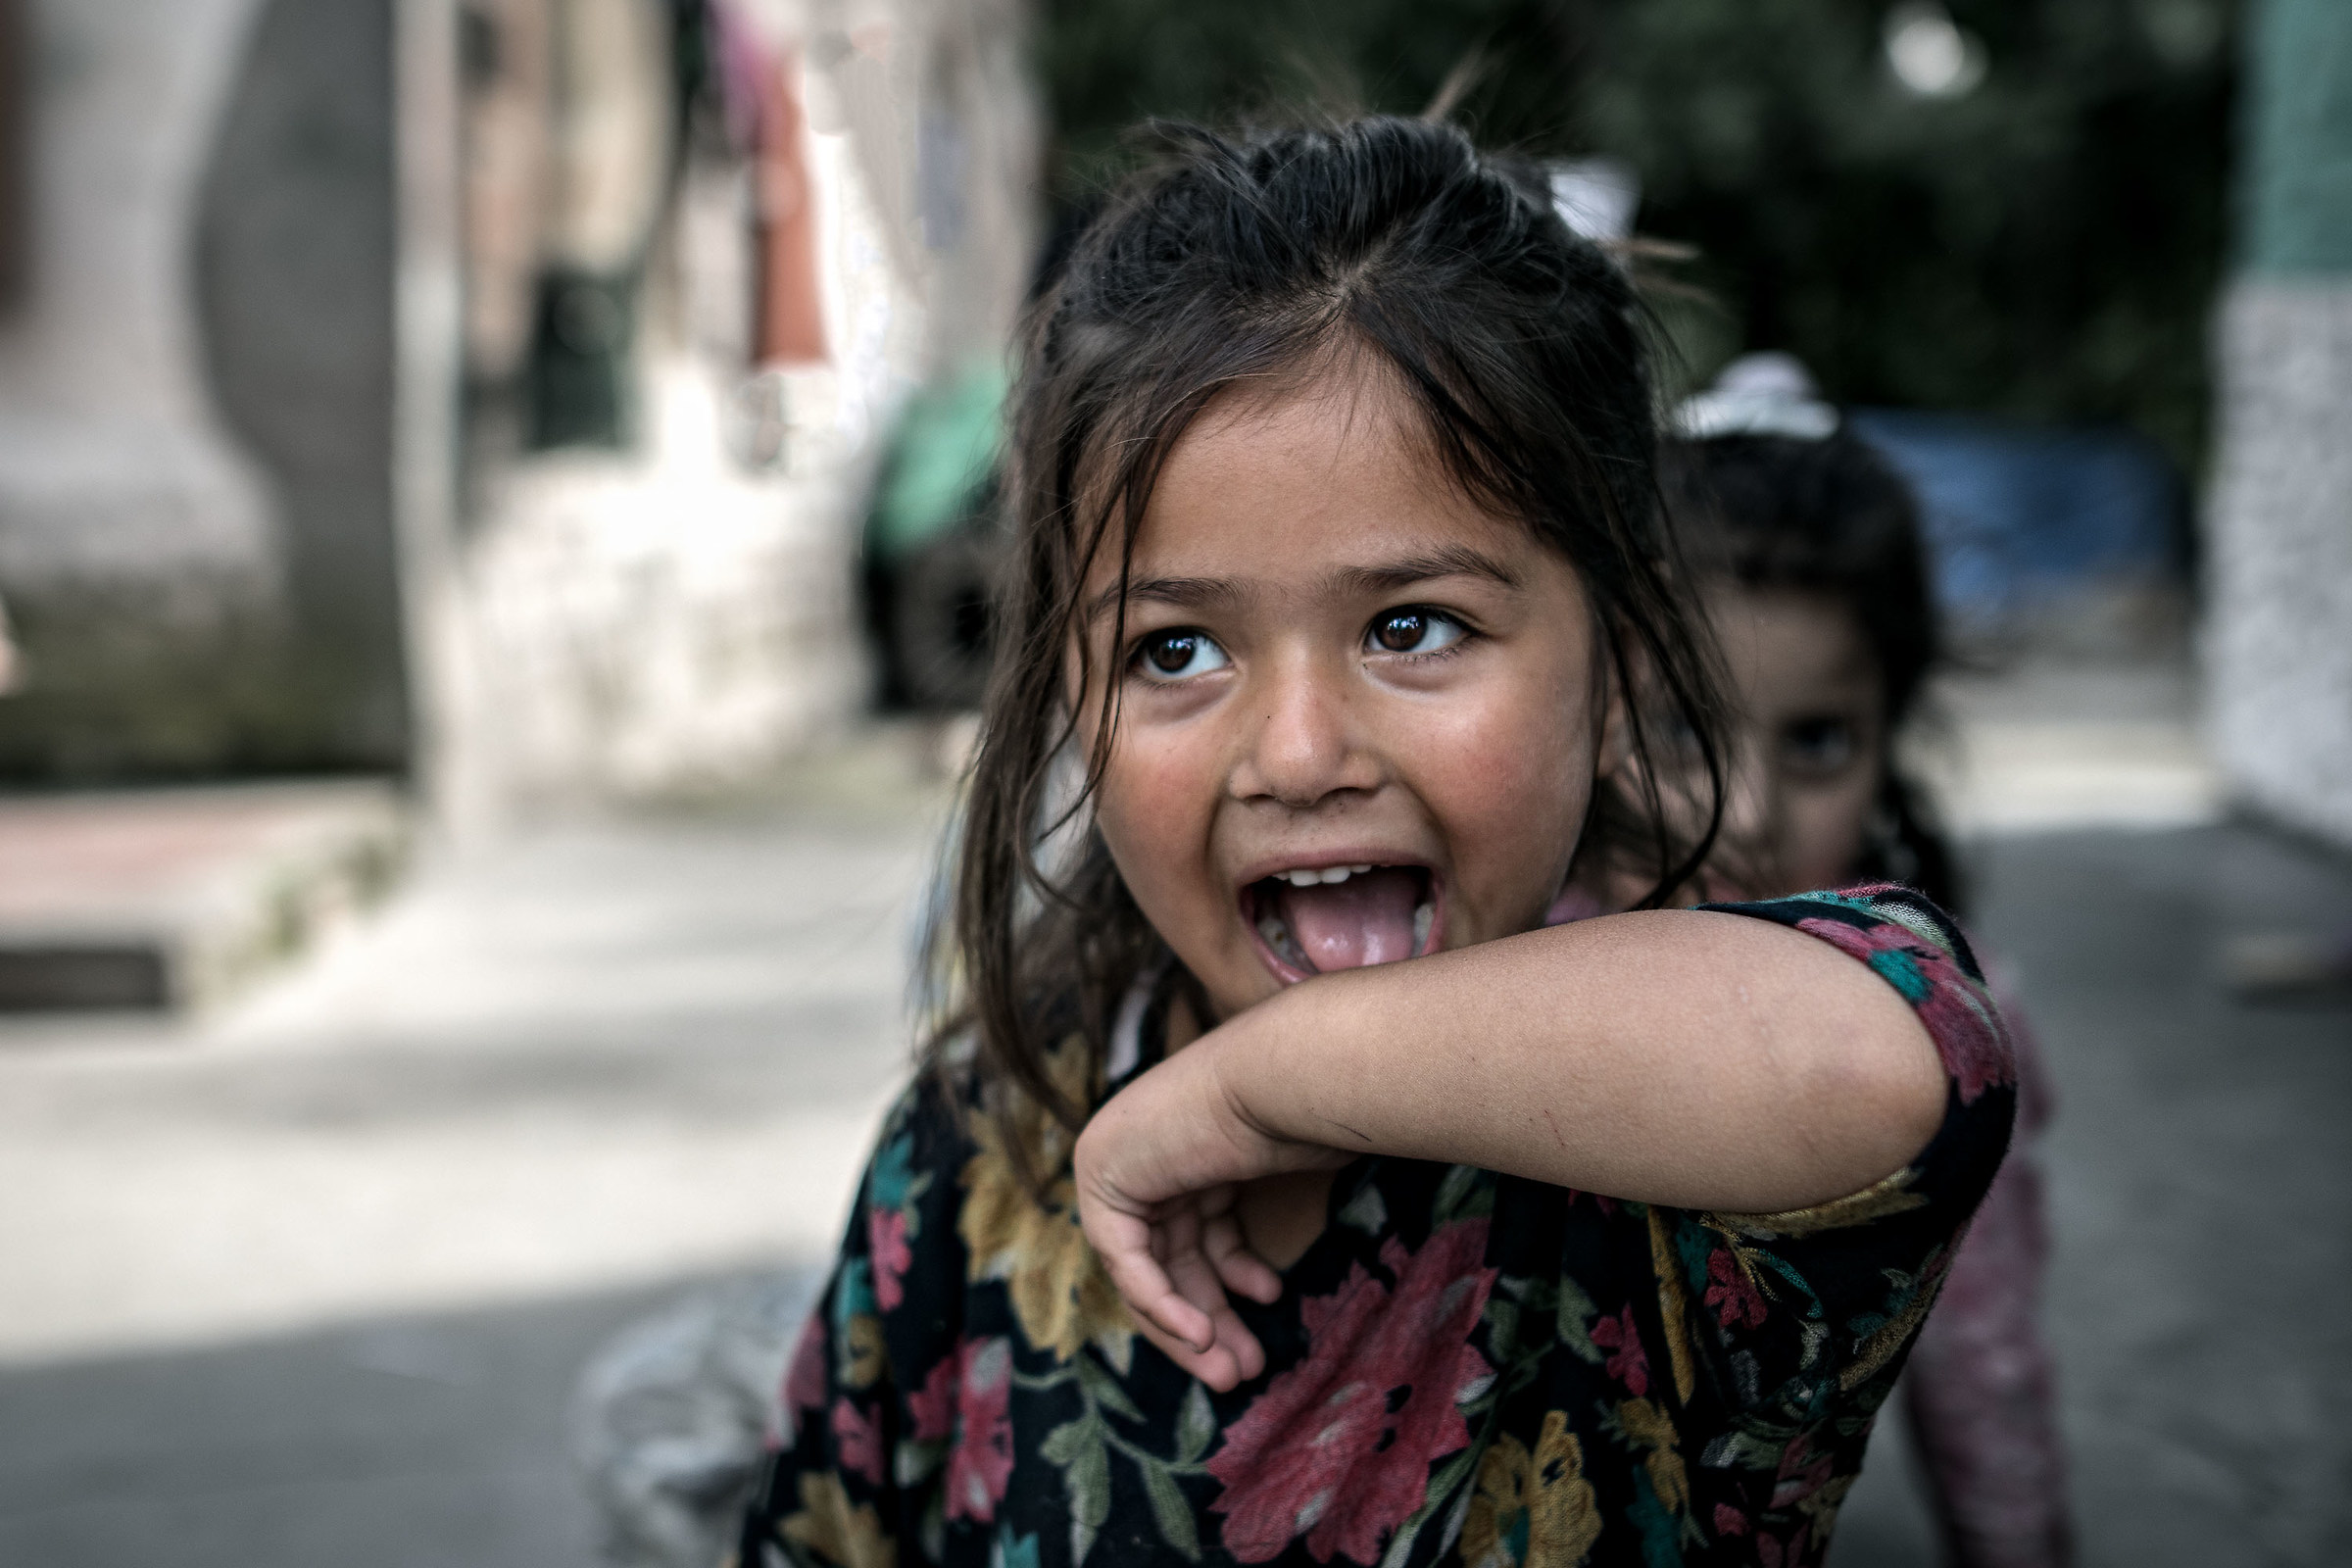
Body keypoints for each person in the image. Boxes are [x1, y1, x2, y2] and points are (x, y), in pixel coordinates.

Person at [739, 118, 2016, 1568]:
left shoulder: (1668, 1168)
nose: (1294, 753)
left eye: (1412, 628)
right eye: (1172, 650)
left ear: (1616, 676)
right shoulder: (982, 1143)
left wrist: (1255, 1088)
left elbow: (1906, 1062)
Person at [1641, 356, 2070, 1568]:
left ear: (1892, 743)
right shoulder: (1501, 950)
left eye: (1818, 741)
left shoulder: (1939, 1043)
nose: (1745, 815)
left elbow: (1982, 1372)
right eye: (1680, 727)